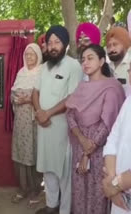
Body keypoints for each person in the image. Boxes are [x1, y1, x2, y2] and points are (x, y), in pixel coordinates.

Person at [66, 44, 125, 214]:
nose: (85, 62)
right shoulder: (81, 87)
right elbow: (70, 115)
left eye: (90, 58)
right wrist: (81, 140)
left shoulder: (111, 87)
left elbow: (107, 124)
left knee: (97, 191)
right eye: (83, 59)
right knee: (79, 190)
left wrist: (87, 154)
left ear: (101, 61)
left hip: (100, 152)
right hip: (80, 145)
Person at [32, 25, 83, 214]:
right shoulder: (44, 67)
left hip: (62, 129)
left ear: (65, 45)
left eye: (57, 42)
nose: (52, 46)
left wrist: (48, 113)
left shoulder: (73, 65)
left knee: (64, 174)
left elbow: (72, 97)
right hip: (44, 127)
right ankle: (51, 207)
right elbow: (35, 92)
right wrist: (39, 112)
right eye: (50, 42)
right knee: (48, 170)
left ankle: (64, 210)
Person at [10, 43, 43, 206]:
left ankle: (36, 189)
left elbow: (46, 98)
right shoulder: (21, 72)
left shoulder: (42, 72)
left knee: (33, 153)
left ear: (38, 56)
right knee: (20, 154)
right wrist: (15, 99)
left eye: (32, 54)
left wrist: (28, 99)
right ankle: (23, 188)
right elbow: (12, 94)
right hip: (20, 122)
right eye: (27, 54)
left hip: (34, 122)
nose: (29, 57)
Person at [102, 62, 131, 214]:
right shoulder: (128, 101)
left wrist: (115, 185)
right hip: (119, 193)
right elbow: (112, 140)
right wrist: (112, 181)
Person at [106, 27, 131, 93]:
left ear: (125, 44)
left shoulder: (129, 64)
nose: (111, 49)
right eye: (109, 46)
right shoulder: (105, 67)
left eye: (115, 44)